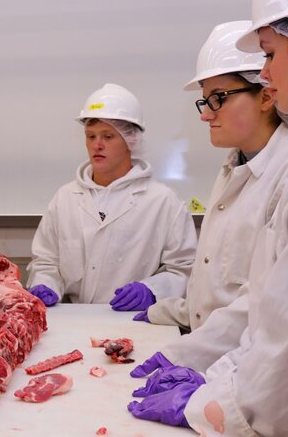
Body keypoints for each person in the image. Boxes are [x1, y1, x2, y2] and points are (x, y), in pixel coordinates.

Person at [128, 0, 288, 437]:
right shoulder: (235, 172)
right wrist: (192, 356)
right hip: (243, 386)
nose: (267, 71)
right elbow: (251, 302)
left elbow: (280, 327)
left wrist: (212, 400)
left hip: (265, 410)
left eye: (270, 54)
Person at [132, 21, 288, 372]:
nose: (206, 114)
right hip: (216, 363)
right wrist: (159, 309)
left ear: (267, 96)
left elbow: (263, 304)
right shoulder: (234, 168)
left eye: (218, 99)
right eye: (204, 101)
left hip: (250, 375)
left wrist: (182, 356)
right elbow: (216, 288)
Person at [26, 83, 196, 308]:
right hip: (72, 320)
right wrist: (45, 284)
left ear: (130, 141)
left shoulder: (163, 202)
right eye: (91, 136)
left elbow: (184, 269)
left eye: (108, 136)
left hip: (137, 322)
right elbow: (46, 261)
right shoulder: (65, 198)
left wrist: (153, 290)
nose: (97, 145)